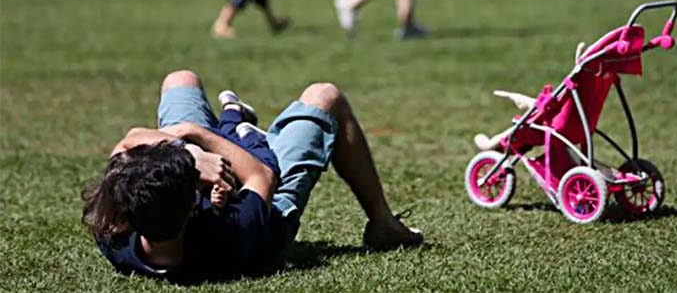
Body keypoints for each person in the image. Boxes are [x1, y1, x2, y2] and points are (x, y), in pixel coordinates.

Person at [82, 70, 422, 283]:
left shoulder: (113, 230)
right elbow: (260, 175)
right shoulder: (233, 232)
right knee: (325, 96)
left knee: (180, 79)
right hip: (267, 198)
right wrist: (195, 136)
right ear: (192, 206)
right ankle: (383, 225)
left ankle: (232, 122)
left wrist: (189, 156)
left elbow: (128, 141)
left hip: (197, 180)